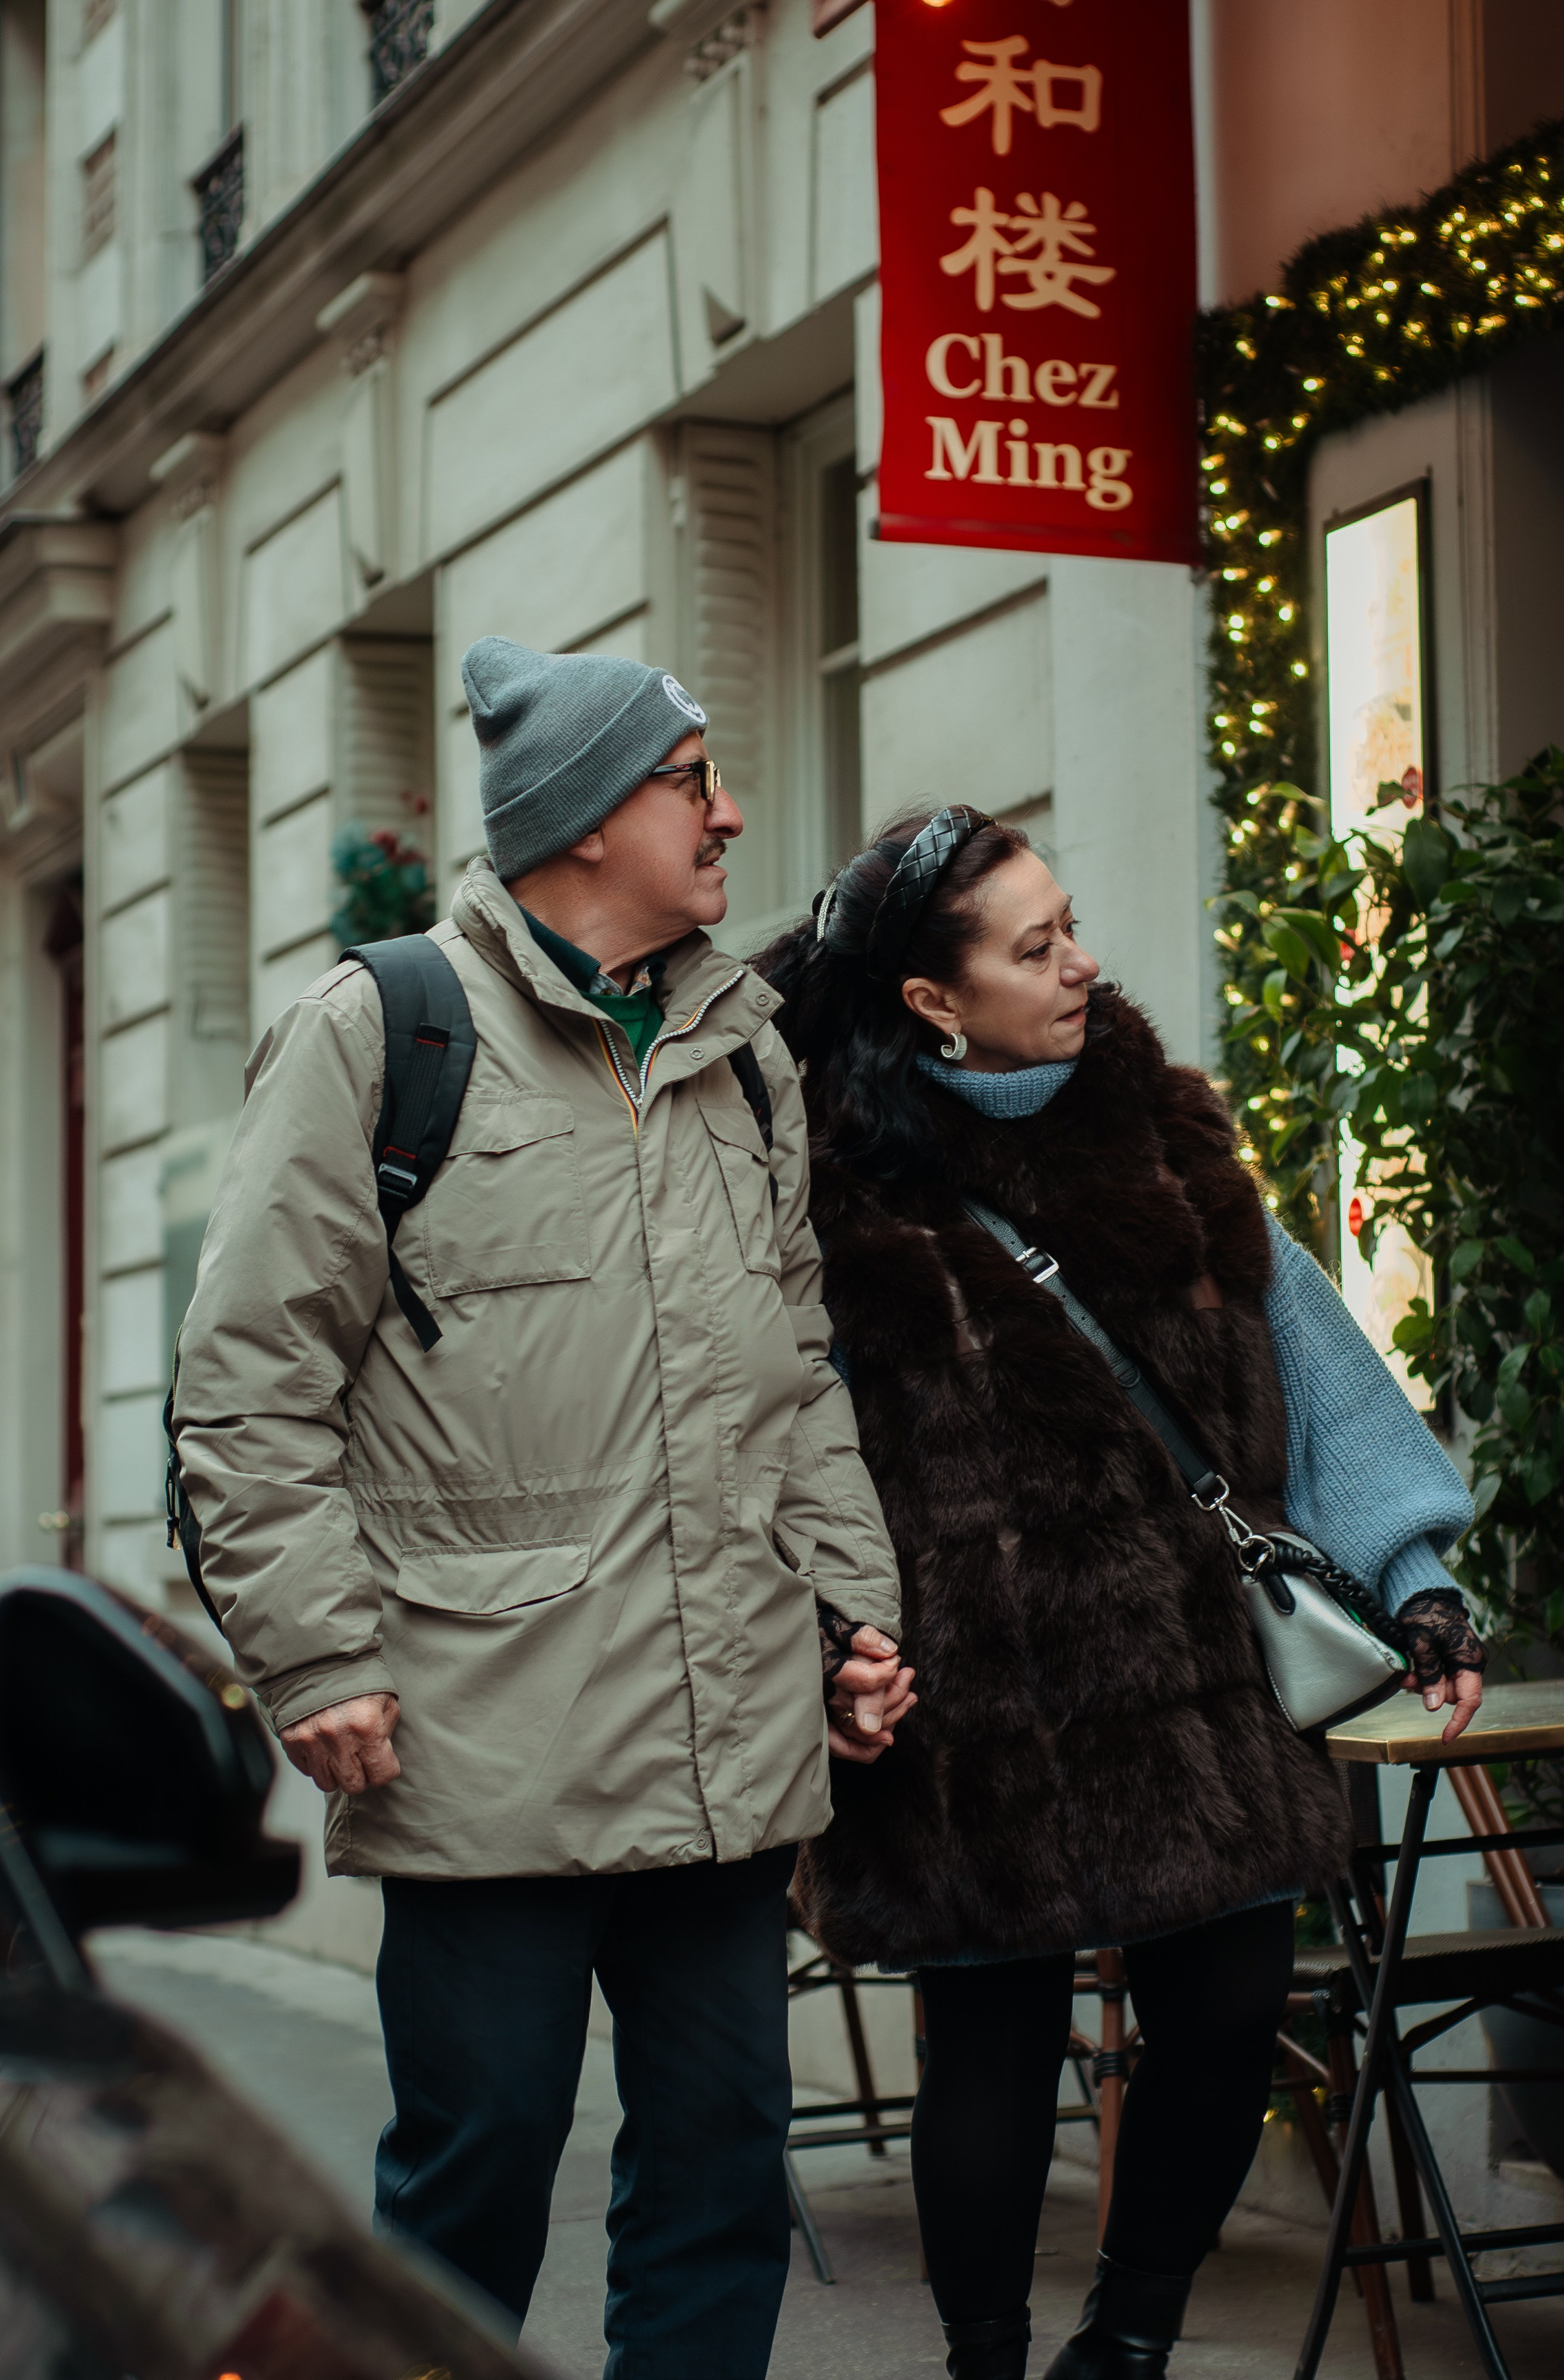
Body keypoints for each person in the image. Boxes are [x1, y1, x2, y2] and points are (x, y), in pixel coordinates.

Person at [173, 637, 912, 2379]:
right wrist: (314, 1655)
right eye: (692, 779)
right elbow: (250, 1377)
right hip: (481, 1740)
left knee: (728, 2175)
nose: (729, 811)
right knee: (479, 2179)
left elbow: (796, 1370)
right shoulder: (387, 1029)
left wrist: (854, 1613)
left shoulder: (747, 1056)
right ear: (584, 820)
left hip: (730, 1737)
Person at [754, 806, 1482, 2380]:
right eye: (1033, 945)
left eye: (1069, 922)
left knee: (1227, 2013)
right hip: (965, 1698)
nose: (1079, 960)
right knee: (994, 2047)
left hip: (1195, 1682)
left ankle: (1132, 2335)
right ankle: (987, 2363)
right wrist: (827, 1644)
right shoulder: (822, 1194)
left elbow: (1313, 1364)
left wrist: (1413, 1579)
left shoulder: (1161, 1128)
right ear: (931, 1002)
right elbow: (767, 1443)